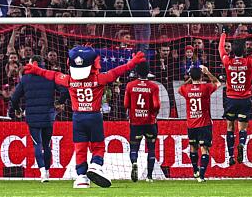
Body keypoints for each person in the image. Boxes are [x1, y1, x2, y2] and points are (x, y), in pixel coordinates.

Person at [24, 46, 145, 188]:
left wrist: (37, 70)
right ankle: (95, 165)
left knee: (80, 148)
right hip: (94, 116)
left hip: (77, 118)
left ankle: (81, 177)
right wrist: (132, 63)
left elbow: (53, 75)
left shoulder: (69, 80)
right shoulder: (99, 79)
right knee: (98, 145)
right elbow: (117, 71)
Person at [9, 55, 58, 182]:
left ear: (32, 63)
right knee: (47, 145)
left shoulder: (25, 79)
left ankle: (42, 172)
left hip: (33, 116)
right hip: (48, 115)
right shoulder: (50, 76)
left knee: (37, 144)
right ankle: (47, 171)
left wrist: (17, 109)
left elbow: (14, 98)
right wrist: (59, 102)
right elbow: (64, 91)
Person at [218, 27, 252, 165]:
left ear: (232, 52)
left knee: (230, 127)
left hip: (231, 99)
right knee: (242, 128)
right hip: (245, 99)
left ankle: (231, 156)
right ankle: (242, 143)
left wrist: (223, 33)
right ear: (244, 51)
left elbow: (220, 48)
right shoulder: (249, 61)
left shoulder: (227, 61)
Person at [178, 65, 221, 183]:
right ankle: (201, 176)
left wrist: (190, 79)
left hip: (191, 124)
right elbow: (218, 83)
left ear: (191, 77)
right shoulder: (206, 87)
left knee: (193, 147)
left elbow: (179, 88)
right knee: (204, 149)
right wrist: (208, 72)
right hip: (204, 124)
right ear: (201, 76)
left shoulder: (186, 89)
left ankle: (195, 170)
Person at [123, 62, 160, 182]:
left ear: (137, 72)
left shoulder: (130, 85)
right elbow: (156, 105)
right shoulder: (154, 86)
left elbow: (126, 104)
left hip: (135, 122)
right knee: (151, 148)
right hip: (150, 122)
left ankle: (134, 162)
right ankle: (149, 176)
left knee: (134, 147)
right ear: (148, 72)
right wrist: (154, 114)